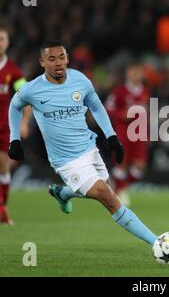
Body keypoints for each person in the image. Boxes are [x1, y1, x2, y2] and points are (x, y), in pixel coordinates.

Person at [8, 40, 157, 247]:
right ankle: (158, 243)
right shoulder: (32, 89)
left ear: (67, 58)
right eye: (51, 59)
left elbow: (96, 106)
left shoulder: (80, 80)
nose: (58, 63)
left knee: (99, 187)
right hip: (65, 160)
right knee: (107, 196)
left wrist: (112, 137)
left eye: (62, 57)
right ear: (42, 62)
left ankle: (62, 192)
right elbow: (14, 106)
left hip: (89, 148)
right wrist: (14, 138)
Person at [105, 62, 150, 205]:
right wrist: (122, 114)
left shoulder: (145, 91)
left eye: (138, 72)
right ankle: (121, 191)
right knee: (121, 165)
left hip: (139, 135)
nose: (136, 75)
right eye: (133, 72)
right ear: (127, 74)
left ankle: (120, 187)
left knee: (140, 167)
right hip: (122, 133)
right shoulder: (120, 91)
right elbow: (107, 108)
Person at [0, 24, 31, 225]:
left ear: (8, 43)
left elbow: (25, 96)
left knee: (3, 169)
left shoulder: (13, 71)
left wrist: (25, 122)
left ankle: (3, 207)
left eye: (2, 39)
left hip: (4, 128)